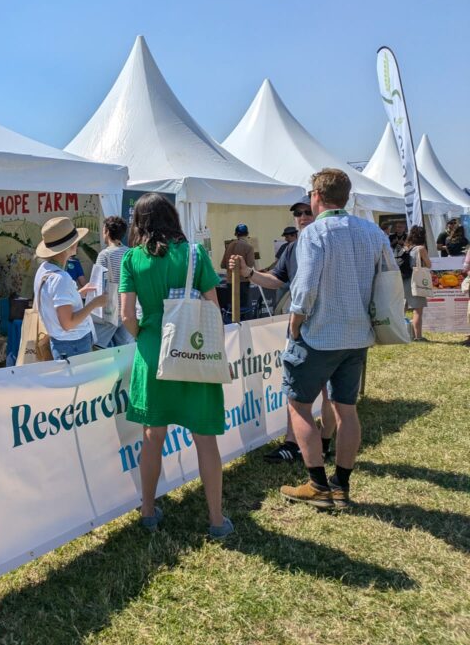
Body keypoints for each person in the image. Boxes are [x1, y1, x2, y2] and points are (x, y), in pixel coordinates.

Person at [119, 193, 233, 539]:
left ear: (139, 223)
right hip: (193, 350)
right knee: (205, 439)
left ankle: (149, 510)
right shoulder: (196, 255)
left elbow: (126, 317)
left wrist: (148, 335)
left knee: (152, 437)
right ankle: (216, 519)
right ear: (173, 217)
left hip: (154, 351)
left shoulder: (131, 259)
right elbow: (213, 307)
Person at [279, 168, 390, 510]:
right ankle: (341, 484)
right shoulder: (372, 231)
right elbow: (387, 281)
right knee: (347, 409)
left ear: (316, 196)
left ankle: (317, 484)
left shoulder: (314, 234)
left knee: (298, 405)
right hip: (358, 335)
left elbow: (305, 288)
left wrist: (295, 324)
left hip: (319, 334)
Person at [229, 197, 336, 464]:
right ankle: (293, 443)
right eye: (297, 214)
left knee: (330, 392)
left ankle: (324, 441)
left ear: (317, 212)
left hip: (330, 327)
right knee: (296, 391)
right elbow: (277, 280)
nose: (302, 217)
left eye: (306, 212)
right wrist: (249, 272)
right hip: (302, 329)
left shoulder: (331, 242)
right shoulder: (292, 249)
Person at [34, 217, 108, 359]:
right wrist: (95, 303)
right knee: (79, 382)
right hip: (74, 345)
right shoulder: (61, 278)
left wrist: (77, 293)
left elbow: (53, 301)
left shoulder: (43, 270)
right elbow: (68, 323)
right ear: (69, 245)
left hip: (62, 344)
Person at [92, 216, 132, 348]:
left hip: (109, 310)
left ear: (107, 232)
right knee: (124, 349)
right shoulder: (130, 253)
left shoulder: (104, 255)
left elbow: (98, 284)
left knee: (97, 347)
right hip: (127, 308)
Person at [402, 225, 432, 342]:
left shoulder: (406, 247)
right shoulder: (421, 248)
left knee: (402, 309)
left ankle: (400, 334)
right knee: (417, 310)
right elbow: (428, 265)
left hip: (404, 279)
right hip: (416, 280)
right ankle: (418, 337)